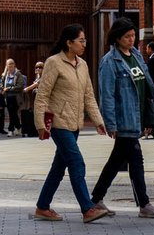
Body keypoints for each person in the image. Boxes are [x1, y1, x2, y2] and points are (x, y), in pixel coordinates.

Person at [32, 23, 110, 223]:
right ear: (69, 43)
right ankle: (87, 208)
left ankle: (42, 206)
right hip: (59, 123)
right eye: (81, 41)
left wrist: (98, 121)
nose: (84, 44)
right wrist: (40, 124)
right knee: (76, 162)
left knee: (58, 168)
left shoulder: (82, 65)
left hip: (75, 125)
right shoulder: (53, 62)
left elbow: (89, 97)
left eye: (85, 40)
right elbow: (42, 95)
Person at [91, 17, 154, 220]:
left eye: (133, 36)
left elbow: (145, 89)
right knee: (136, 160)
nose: (131, 39)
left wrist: (148, 120)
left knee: (116, 162)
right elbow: (107, 95)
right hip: (123, 119)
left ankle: (95, 199)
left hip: (137, 118)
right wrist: (111, 123)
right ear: (117, 38)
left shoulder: (137, 56)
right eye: (127, 36)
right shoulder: (110, 62)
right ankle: (144, 204)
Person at [2, 57, 26, 136]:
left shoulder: (18, 74)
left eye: (12, 64)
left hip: (16, 97)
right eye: (9, 64)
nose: (11, 65)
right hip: (7, 97)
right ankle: (18, 127)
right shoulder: (5, 74)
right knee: (12, 113)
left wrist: (8, 88)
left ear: (14, 65)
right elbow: (2, 84)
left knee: (12, 113)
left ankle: (10, 130)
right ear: (7, 65)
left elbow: (20, 86)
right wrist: (1, 88)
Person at [21, 60, 44, 137]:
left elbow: (36, 84)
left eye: (40, 67)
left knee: (41, 115)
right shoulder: (37, 76)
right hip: (36, 98)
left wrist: (27, 89)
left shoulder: (44, 77)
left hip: (42, 99)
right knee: (36, 114)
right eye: (36, 67)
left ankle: (43, 131)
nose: (38, 69)